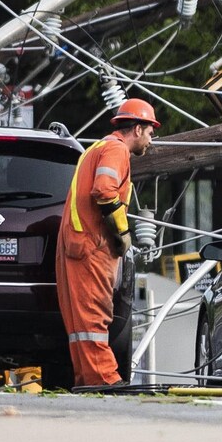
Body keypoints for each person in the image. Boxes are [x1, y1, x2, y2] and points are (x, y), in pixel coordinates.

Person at [56, 97, 159, 389]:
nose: (151, 140)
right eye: (150, 131)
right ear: (137, 128)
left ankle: (87, 378)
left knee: (80, 324)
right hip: (92, 245)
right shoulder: (116, 149)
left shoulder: (97, 147)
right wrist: (124, 234)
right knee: (95, 318)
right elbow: (104, 190)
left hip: (77, 243)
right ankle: (104, 378)